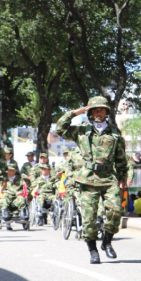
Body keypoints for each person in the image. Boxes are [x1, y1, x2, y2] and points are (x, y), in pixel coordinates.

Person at [56, 96, 128, 264]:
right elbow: (60, 129)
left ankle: (107, 241)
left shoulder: (114, 132)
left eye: (101, 109)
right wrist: (74, 113)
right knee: (89, 219)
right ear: (90, 112)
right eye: (95, 109)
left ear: (106, 112)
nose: (98, 112)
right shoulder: (81, 130)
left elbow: (121, 159)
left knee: (116, 211)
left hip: (109, 178)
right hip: (88, 179)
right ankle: (93, 250)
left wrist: (123, 178)